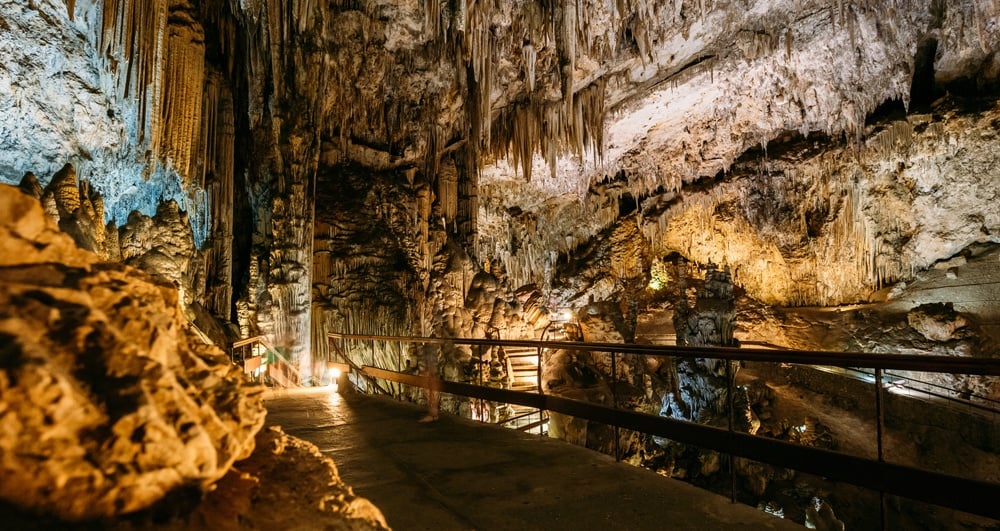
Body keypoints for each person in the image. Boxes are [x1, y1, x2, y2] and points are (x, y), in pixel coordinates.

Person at [418, 341, 441, 422]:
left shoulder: (430, 351)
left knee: (430, 391)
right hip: (431, 369)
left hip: (430, 370)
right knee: (431, 392)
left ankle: (432, 414)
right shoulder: (433, 349)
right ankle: (433, 414)